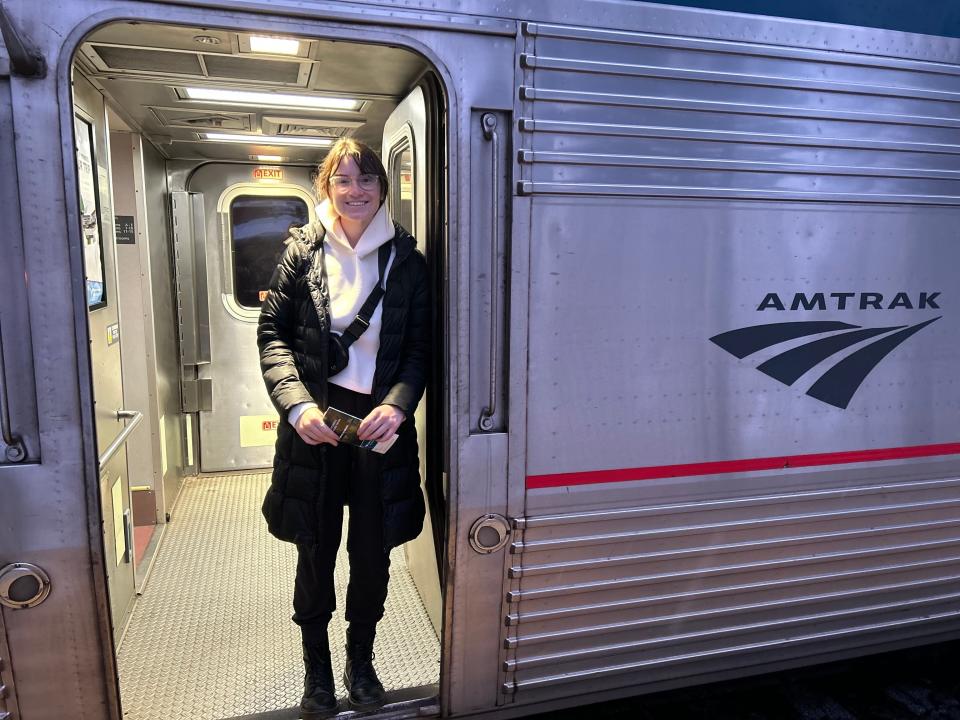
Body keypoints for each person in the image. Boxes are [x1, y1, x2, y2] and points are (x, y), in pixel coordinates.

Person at [257, 137, 429, 718]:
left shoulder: (406, 260)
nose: (355, 192)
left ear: (383, 188)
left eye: (367, 181)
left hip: (379, 429)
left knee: (372, 552)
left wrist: (400, 405)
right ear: (325, 187)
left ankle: (361, 662)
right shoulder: (302, 254)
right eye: (343, 181)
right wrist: (297, 407)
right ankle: (317, 672)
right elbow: (273, 338)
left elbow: (419, 350)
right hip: (315, 424)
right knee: (316, 547)